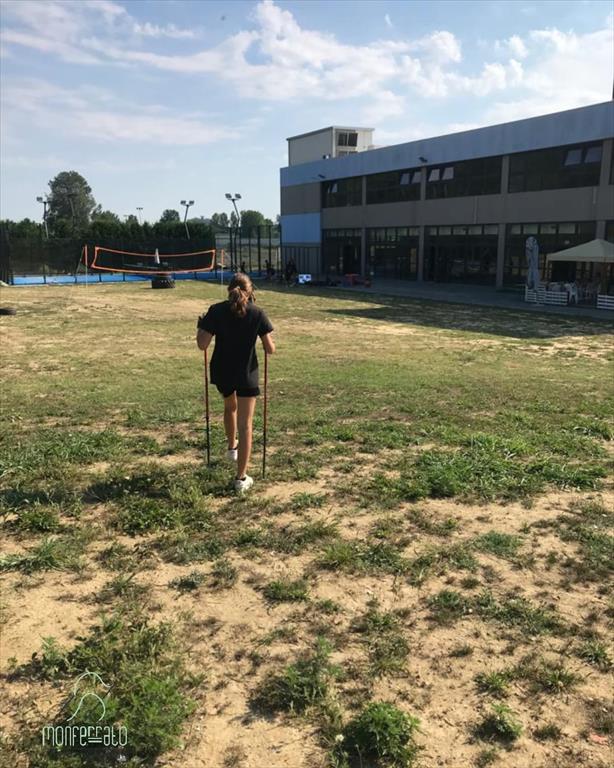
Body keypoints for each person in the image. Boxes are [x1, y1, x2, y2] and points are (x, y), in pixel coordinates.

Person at [196, 274, 275, 494]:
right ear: (250, 291)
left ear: (228, 290)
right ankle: (241, 478)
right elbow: (270, 349)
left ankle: (232, 447)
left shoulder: (216, 310)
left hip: (222, 372)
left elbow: (202, 344)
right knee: (246, 424)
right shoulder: (257, 313)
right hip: (246, 374)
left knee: (230, 406)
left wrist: (201, 327)